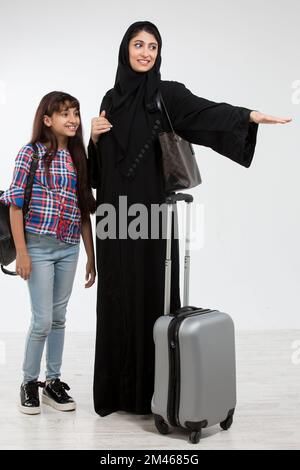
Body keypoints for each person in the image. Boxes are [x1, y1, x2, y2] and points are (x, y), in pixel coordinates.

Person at [88, 21, 292, 417]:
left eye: (153, 46)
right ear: (124, 50)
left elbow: (205, 112)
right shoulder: (110, 99)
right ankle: (117, 393)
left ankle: (155, 394)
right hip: (114, 217)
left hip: (153, 215)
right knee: (115, 298)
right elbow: (98, 174)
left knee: (154, 296)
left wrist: (248, 116)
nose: (145, 52)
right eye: (138, 44)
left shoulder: (167, 94)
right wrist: (94, 139)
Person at [0, 91, 96, 414]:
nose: (72, 119)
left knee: (58, 318)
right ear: (47, 120)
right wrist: (23, 254)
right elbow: (14, 204)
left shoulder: (78, 157)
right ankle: (29, 382)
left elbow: (84, 211)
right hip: (38, 247)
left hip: (69, 249)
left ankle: (52, 381)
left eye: (76, 113)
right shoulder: (31, 153)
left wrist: (90, 256)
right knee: (41, 320)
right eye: (64, 113)